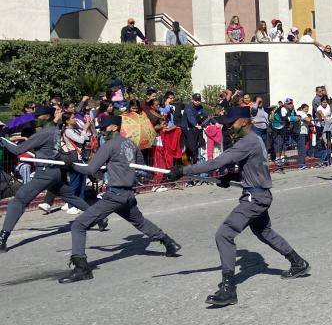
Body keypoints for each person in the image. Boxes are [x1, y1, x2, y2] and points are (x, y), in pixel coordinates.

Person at [168, 106, 310, 306]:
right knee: (264, 232)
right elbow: (253, 166)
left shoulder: (247, 141)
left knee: (224, 234)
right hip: (260, 193)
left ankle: (228, 289)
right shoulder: (255, 139)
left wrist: (184, 169)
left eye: (231, 124)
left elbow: (216, 163)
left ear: (244, 122)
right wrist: (231, 176)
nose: (228, 128)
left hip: (255, 197)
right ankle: (298, 263)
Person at [58, 115, 181, 283]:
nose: (101, 130)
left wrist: (71, 165)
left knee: (79, 225)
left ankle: (82, 268)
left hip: (115, 195)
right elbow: (141, 169)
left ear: (114, 127)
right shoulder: (130, 143)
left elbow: (91, 169)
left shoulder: (110, 145)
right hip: (127, 194)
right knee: (140, 222)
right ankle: (168, 242)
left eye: (104, 127)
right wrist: (119, 167)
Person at [0, 106, 99, 253]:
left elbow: (17, 150)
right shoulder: (56, 130)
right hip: (54, 172)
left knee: (18, 201)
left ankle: (2, 239)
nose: (35, 119)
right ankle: (99, 217)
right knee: (70, 196)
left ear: (46, 117)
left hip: (44, 173)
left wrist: (2, 139)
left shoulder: (44, 133)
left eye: (38, 116)